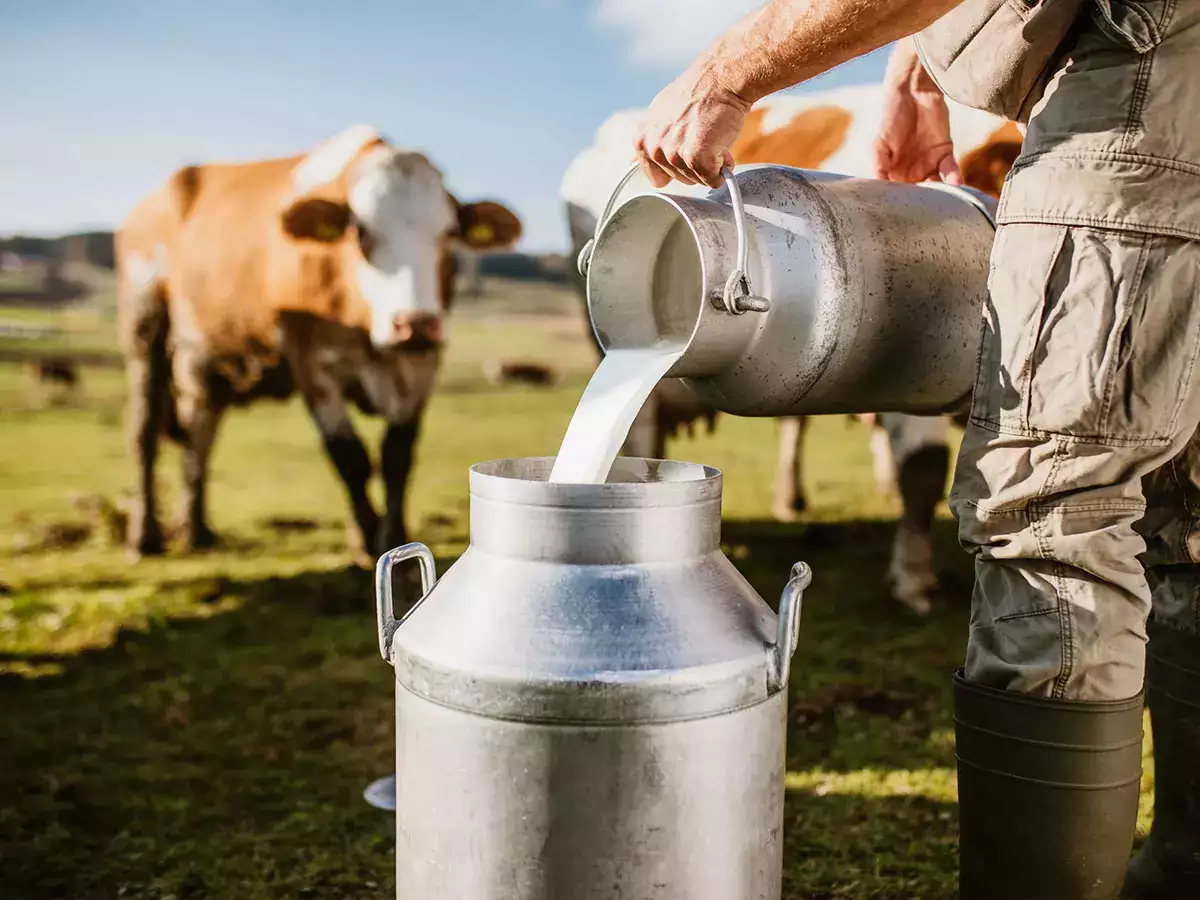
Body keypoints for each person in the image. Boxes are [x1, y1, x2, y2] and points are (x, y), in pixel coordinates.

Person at [631, 1, 1200, 898]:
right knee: (1185, 510)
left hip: (1139, 94)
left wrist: (720, 77)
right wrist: (913, 72)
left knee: (1053, 515)